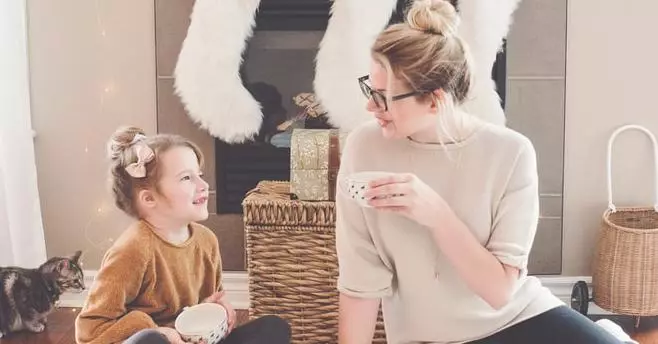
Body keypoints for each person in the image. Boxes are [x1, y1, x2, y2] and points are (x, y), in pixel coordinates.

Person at [334, 1, 624, 343]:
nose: (371, 106)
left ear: (434, 99)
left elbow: (500, 292)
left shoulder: (510, 153)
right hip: (431, 336)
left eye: (384, 97)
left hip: (516, 318)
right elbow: (360, 281)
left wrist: (437, 214)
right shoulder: (364, 148)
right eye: (370, 88)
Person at [75, 127, 291, 344]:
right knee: (149, 340)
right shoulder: (132, 249)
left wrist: (217, 307)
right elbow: (90, 332)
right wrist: (157, 330)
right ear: (149, 199)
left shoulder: (207, 240)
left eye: (200, 175)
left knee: (273, 328)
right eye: (187, 178)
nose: (204, 186)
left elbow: (209, 299)